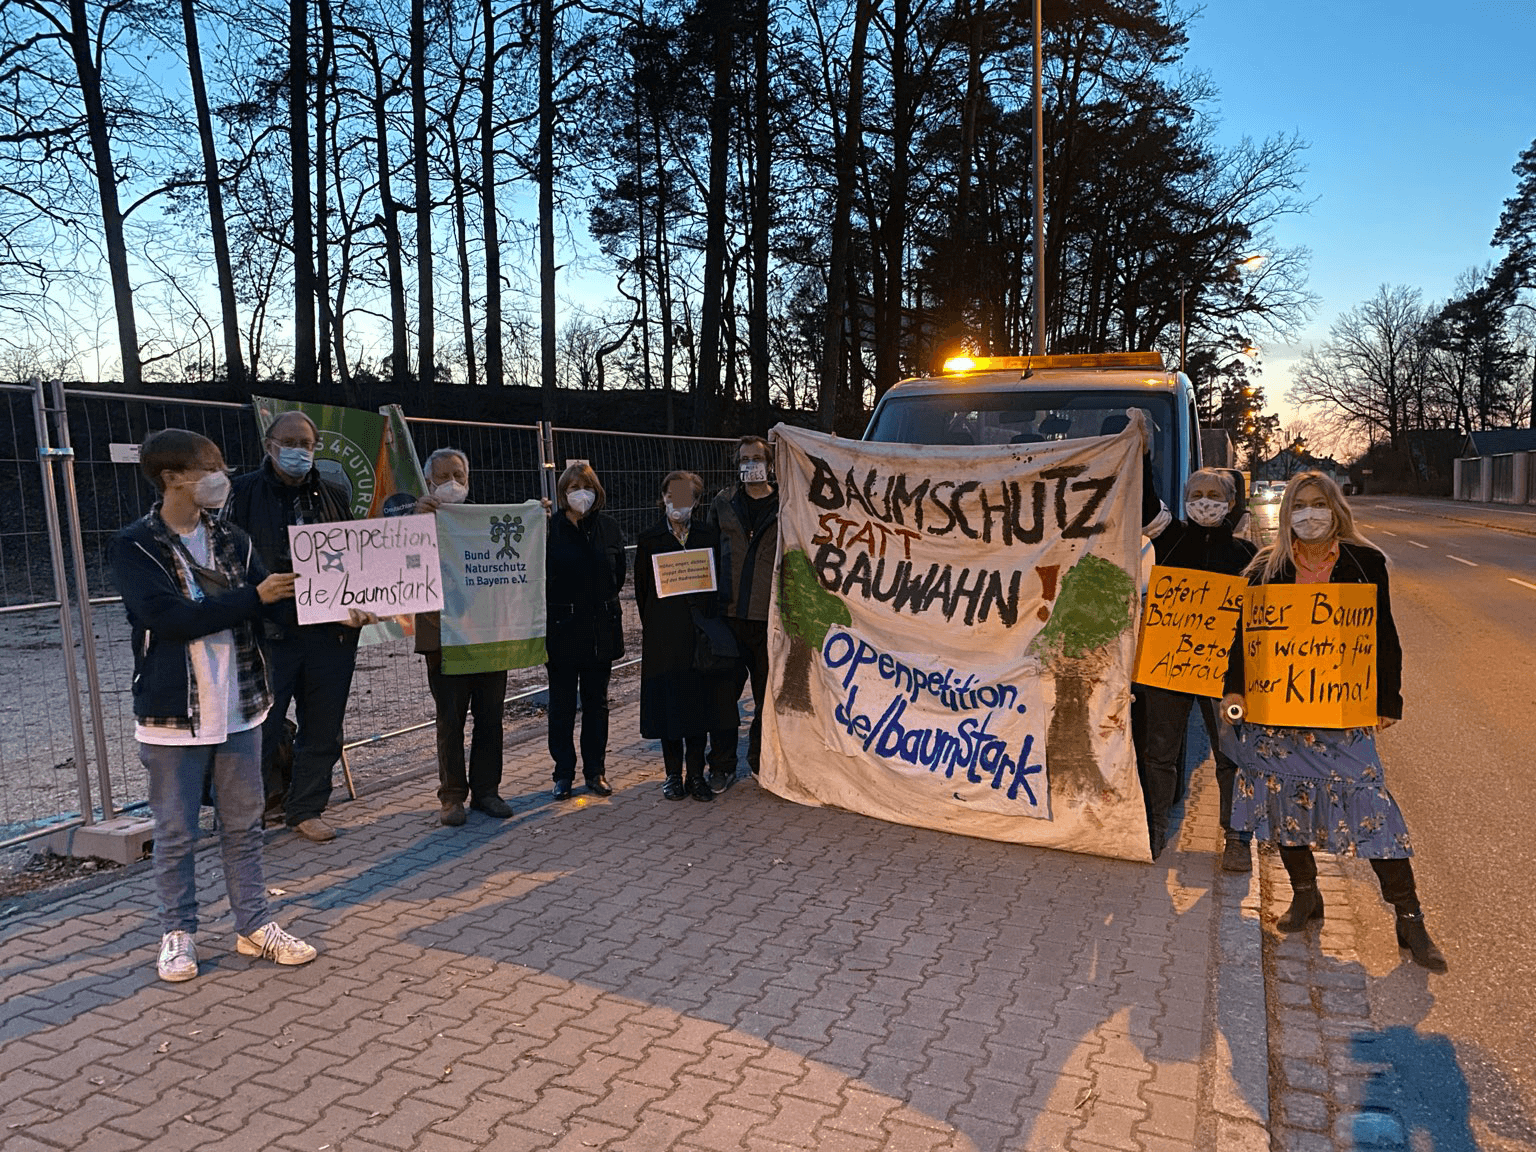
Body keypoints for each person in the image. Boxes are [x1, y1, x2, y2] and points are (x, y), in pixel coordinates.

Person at [111, 429, 318, 982]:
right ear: (173, 477)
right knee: (177, 832)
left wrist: (339, 606)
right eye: (210, 467)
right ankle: (178, 933)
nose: (222, 476)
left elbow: (273, 608)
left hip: (241, 707)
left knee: (245, 826)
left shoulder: (232, 539)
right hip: (173, 716)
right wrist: (255, 597)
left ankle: (253, 924)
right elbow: (171, 619)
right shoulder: (136, 545)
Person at [1220, 471, 1445, 972]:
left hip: (1340, 709)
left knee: (1371, 805)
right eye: (1300, 505)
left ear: (1336, 509)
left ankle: (1409, 917)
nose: (1309, 514)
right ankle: (1305, 894)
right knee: (1283, 804)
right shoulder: (1266, 568)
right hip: (1276, 713)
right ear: (1287, 515)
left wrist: (1388, 700)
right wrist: (1234, 690)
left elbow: (1384, 635)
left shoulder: (1365, 564)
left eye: (1319, 503)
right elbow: (1243, 638)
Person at [225, 410, 372, 843]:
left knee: (324, 727)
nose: (298, 451)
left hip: (330, 633)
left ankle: (306, 809)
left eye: (306, 444)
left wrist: (366, 601)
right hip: (269, 634)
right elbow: (224, 560)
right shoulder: (241, 494)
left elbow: (358, 558)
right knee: (260, 729)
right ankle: (246, 816)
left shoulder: (334, 494)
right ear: (269, 445)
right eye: (289, 443)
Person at [1136, 469, 1256, 865]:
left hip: (1223, 674)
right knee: (1159, 752)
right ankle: (1154, 829)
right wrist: (1143, 454)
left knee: (1231, 756)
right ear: (1186, 500)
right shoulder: (1170, 539)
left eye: (1214, 496)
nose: (1205, 502)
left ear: (1230, 503)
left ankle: (1237, 839)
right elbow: (1146, 505)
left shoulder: (1245, 555)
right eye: (1197, 494)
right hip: (1168, 666)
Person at [408, 449, 514, 825]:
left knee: (490, 717)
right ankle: (452, 796)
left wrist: (537, 518)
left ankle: (487, 791)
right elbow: (401, 565)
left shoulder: (485, 521)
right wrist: (415, 521)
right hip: (443, 636)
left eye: (459, 476)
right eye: (443, 477)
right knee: (450, 720)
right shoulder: (417, 521)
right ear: (428, 481)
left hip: (487, 633)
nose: (452, 483)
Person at [634, 470, 739, 802]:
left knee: (697, 705)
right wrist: (656, 624)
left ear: (695, 501)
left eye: (684, 496)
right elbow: (642, 590)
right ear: (663, 498)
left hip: (698, 633)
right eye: (671, 495)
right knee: (669, 705)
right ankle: (672, 775)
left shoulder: (707, 536)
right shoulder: (650, 539)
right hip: (664, 634)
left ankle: (695, 775)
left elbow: (717, 583)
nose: (676, 503)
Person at [545, 463, 627, 800]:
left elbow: (618, 574)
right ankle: (563, 773)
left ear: (597, 492)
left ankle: (596, 771)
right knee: (561, 706)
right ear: (563, 493)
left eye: (588, 487)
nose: (582, 493)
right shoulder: (550, 530)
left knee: (597, 704)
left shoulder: (609, 527)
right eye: (574, 487)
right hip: (562, 630)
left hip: (600, 630)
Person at [707, 435, 779, 789]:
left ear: (770, 464)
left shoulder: (786, 504)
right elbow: (706, 551)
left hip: (768, 618)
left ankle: (760, 760)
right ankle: (721, 765)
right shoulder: (723, 503)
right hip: (729, 616)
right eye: (744, 459)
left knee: (767, 697)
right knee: (724, 697)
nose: (751, 464)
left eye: (757, 458)